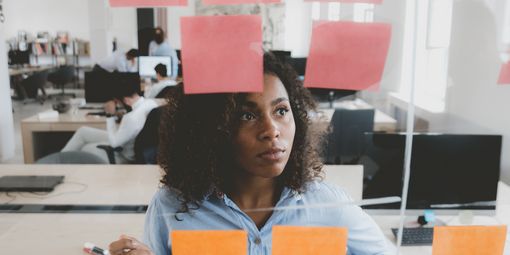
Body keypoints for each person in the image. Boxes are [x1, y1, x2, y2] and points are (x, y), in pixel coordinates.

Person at [108, 53, 391, 254]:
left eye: (281, 111)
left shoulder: (327, 206)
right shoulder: (173, 207)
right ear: (212, 129)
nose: (271, 130)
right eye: (246, 115)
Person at [61, 80, 157, 164]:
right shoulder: (150, 103)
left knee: (85, 148)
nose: (118, 105)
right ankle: (59, 160)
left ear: (126, 101)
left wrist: (109, 116)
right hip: (129, 142)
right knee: (83, 131)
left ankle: (59, 162)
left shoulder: (130, 118)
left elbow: (114, 143)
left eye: (118, 103)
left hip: (124, 156)